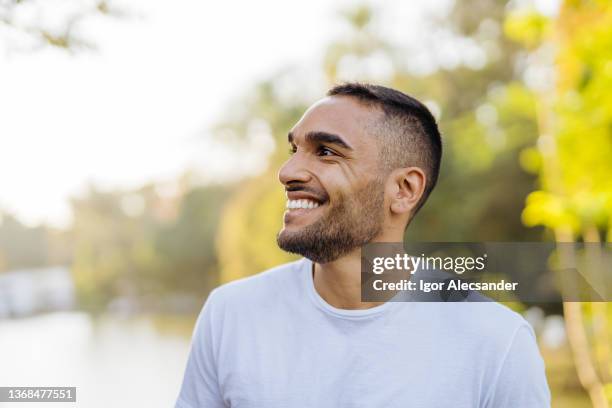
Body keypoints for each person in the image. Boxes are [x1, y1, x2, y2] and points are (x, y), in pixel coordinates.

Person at [175, 83, 551, 407]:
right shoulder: (230, 315)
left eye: (326, 152)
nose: (287, 173)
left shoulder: (497, 342)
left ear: (403, 190)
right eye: (295, 150)